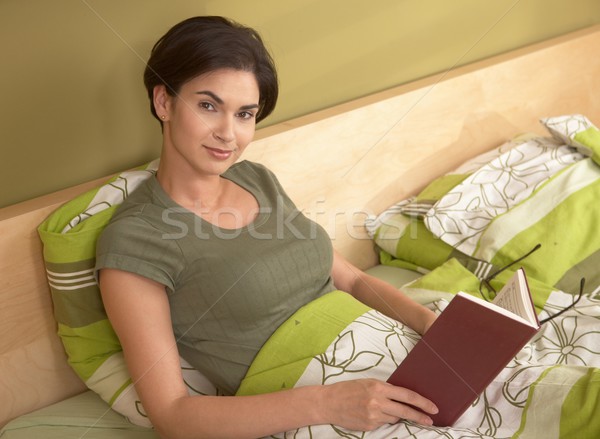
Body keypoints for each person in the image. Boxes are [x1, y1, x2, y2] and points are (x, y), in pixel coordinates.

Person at [96, 16, 438, 439]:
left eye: (244, 114)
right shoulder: (136, 239)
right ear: (163, 102)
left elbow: (348, 278)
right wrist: (333, 402)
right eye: (208, 106)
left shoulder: (256, 178)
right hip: (321, 408)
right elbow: (171, 414)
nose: (228, 134)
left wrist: (429, 325)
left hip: (401, 360)